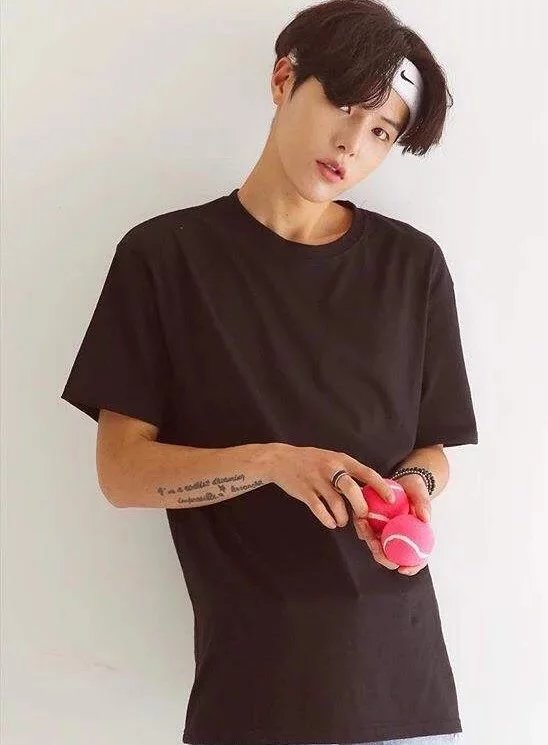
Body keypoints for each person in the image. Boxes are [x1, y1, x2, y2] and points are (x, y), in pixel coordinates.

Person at [60, 1, 479, 743]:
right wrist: (270, 462)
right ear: (285, 80)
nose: (353, 143)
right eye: (344, 105)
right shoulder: (164, 259)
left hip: (402, 687)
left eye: (382, 131)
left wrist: (412, 488)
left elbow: (433, 450)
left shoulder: (412, 267)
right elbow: (121, 473)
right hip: (254, 694)